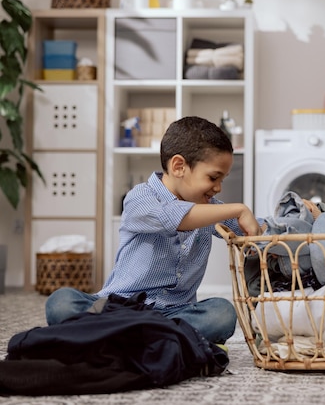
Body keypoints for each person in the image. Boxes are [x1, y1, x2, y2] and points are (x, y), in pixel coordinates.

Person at [45, 116, 261, 345]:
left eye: (222, 180)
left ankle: (120, 337)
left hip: (175, 314)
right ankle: (152, 338)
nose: (218, 188)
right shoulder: (139, 198)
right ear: (179, 167)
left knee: (222, 313)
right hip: (120, 306)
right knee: (62, 303)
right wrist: (239, 209)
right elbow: (173, 217)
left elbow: (254, 229)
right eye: (213, 177)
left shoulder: (212, 211)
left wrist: (289, 223)